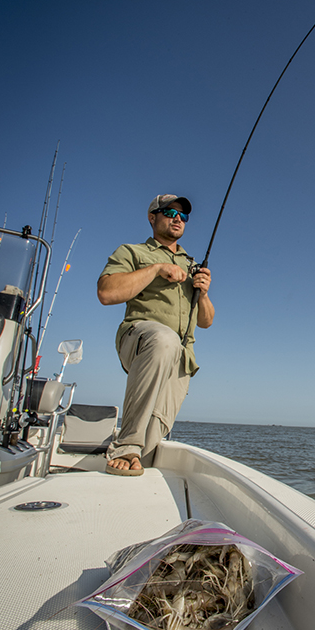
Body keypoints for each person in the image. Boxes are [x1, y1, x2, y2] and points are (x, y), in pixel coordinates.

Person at [97, 193, 214, 475]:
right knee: (164, 339)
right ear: (153, 217)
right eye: (170, 213)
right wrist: (157, 268)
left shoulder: (192, 264)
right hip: (141, 338)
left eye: (183, 216)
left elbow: (206, 321)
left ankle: (135, 459)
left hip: (181, 355)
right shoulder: (132, 252)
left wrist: (204, 294)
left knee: (157, 425)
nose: (177, 219)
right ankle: (126, 446)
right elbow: (107, 292)